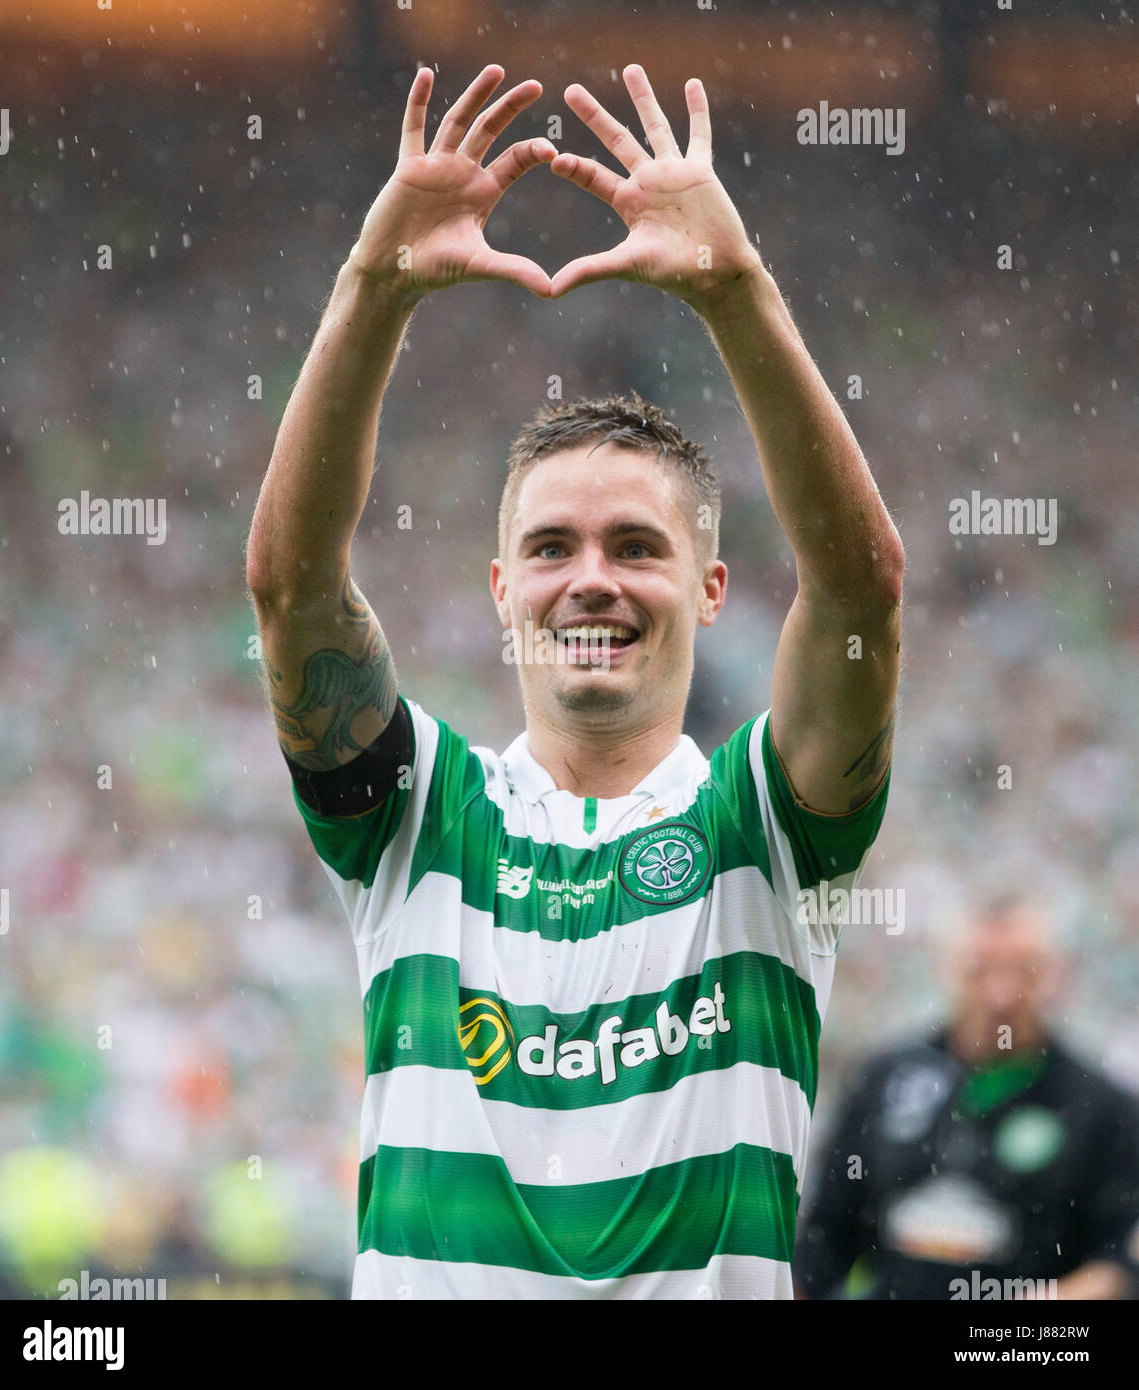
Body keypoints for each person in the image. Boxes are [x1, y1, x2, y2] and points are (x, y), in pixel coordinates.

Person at [246, 61, 904, 1299]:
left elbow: (861, 594)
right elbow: (293, 588)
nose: (589, 579)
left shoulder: (759, 829)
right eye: (549, 547)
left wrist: (736, 292)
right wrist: (372, 287)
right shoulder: (418, 818)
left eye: (637, 547)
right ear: (501, 591)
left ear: (710, 592)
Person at [793, 897, 1139, 1300]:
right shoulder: (887, 1077)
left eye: (1023, 971)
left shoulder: (1102, 1106)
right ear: (947, 969)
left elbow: (1119, 1259)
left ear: (1056, 975)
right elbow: (825, 1238)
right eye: (981, 970)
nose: (1001, 995)